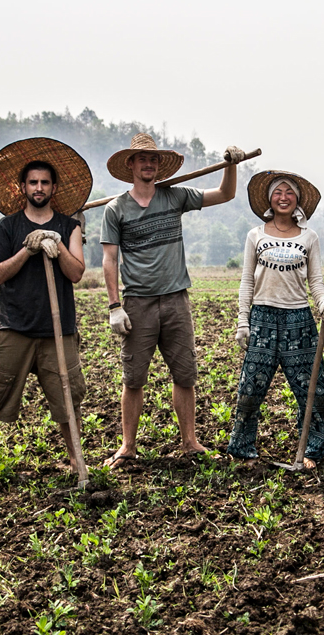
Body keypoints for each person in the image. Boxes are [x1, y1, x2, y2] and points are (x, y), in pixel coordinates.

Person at [102, 133, 245, 468]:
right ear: (131, 165)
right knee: (133, 378)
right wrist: (114, 306)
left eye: (153, 159)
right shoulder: (116, 209)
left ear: (159, 165)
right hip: (137, 303)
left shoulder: (175, 196)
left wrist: (230, 165)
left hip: (176, 300)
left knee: (184, 374)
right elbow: (109, 259)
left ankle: (190, 442)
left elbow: (225, 194)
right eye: (142, 159)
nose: (148, 164)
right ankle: (128, 446)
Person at [0, 144, 90, 477]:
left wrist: (56, 243)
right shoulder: (7, 227)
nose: (39, 188)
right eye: (33, 182)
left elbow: (76, 273)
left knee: (68, 399)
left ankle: (76, 461)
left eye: (45, 182)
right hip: (14, 326)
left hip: (58, 329)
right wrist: (28, 249)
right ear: (22, 187)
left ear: (54, 188)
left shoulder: (69, 226)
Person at [227, 171, 324, 468]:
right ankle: (242, 449)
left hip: (299, 319)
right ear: (269, 199)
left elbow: (315, 281)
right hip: (262, 316)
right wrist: (243, 321)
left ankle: (311, 451)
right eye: (278, 192)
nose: (283, 197)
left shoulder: (309, 237)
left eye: (289, 193)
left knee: (312, 390)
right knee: (250, 388)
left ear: (297, 200)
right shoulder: (256, 235)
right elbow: (247, 280)